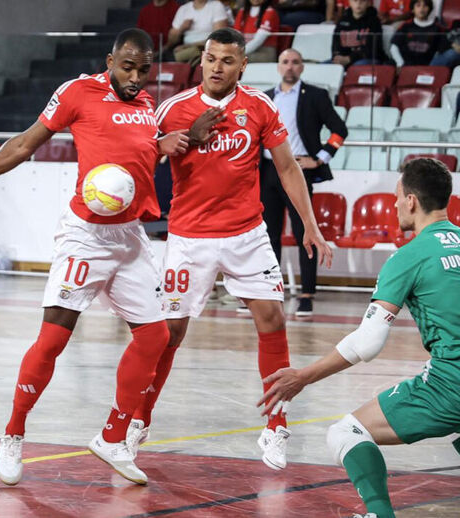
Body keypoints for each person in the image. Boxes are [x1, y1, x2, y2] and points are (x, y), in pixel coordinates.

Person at [0, 29, 189, 487]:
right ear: (110, 60)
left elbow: (131, 163)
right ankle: (13, 432)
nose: (136, 77)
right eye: (128, 67)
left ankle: (112, 438)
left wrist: (163, 145)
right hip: (85, 238)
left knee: (155, 337)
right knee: (53, 339)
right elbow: (23, 144)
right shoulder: (77, 92)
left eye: (144, 69)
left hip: (130, 238)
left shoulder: (146, 108)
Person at [259, 158, 460, 518]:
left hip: (459, 386)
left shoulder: (408, 256)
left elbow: (367, 344)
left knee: (346, 432)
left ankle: (379, 514)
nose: (392, 205)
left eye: (396, 197)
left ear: (411, 201)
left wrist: (303, 377)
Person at [128, 29, 333, 471]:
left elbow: (286, 166)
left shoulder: (259, 106)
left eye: (227, 60)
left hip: (246, 234)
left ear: (243, 66)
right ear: (201, 60)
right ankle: (138, 421)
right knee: (170, 334)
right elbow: (140, 158)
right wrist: (167, 144)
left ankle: (276, 426)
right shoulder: (173, 108)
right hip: (189, 238)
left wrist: (310, 225)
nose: (217, 67)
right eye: (211, 58)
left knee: (273, 318)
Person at [260, 49, 347, 318]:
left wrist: (320, 158)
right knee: (267, 236)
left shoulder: (316, 96)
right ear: (278, 67)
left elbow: (340, 130)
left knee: (304, 233)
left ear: (302, 67)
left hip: (299, 169)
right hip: (267, 171)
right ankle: (269, 291)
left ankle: (307, 294)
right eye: (285, 62)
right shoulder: (265, 98)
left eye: (295, 62)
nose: (290, 67)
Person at [168, 0, 231, 64]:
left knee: (173, 58)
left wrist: (187, 46)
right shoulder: (183, 9)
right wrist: (181, 28)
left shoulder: (216, 6)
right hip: (185, 49)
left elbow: (218, 38)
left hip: (206, 48)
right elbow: (172, 41)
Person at [333, 0, 388, 67]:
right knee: (324, 66)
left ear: (368, 3)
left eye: (362, 1)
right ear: (349, 2)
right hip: (344, 60)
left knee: (357, 67)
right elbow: (335, 45)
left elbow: (372, 49)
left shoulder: (374, 21)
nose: (358, 4)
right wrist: (337, 58)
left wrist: (349, 59)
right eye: (355, 1)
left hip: (368, 60)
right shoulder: (342, 21)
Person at [390, 0, 445, 66]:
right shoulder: (405, 26)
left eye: (425, 6)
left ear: (429, 9)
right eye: (418, 5)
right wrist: (400, 63)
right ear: (413, 9)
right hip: (405, 65)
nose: (421, 8)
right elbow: (394, 46)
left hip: (428, 66)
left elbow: (439, 52)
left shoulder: (437, 28)